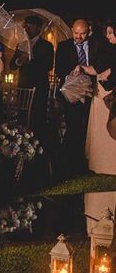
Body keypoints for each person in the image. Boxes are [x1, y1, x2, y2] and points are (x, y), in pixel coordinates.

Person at [55, 19, 100, 177]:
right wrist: (72, 75)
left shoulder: (96, 45)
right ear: (71, 29)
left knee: (87, 128)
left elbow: (99, 66)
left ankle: (83, 161)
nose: (79, 37)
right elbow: (59, 70)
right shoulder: (63, 46)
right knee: (73, 127)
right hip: (71, 94)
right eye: (76, 33)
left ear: (89, 31)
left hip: (92, 94)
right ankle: (68, 163)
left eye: (83, 33)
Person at [9, 15, 54, 140]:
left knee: (38, 116)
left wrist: (30, 60)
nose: (26, 27)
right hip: (23, 85)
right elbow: (12, 65)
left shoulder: (46, 45)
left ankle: (37, 143)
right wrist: (19, 60)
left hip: (40, 86)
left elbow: (48, 66)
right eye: (26, 25)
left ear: (38, 28)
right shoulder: (21, 45)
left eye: (30, 25)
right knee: (22, 115)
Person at [82, 21, 116, 175]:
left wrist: (108, 73)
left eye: (110, 33)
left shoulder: (106, 49)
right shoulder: (109, 49)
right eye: (107, 33)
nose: (108, 36)